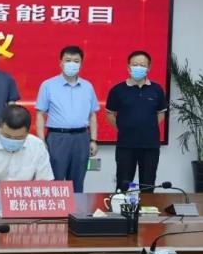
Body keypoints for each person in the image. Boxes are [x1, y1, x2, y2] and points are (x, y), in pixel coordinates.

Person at [35, 45, 99, 192]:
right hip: (57, 138)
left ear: (81, 64)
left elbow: (92, 115)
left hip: (81, 138)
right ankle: (55, 207)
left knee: (78, 183)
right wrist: (41, 141)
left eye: (76, 61)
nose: (72, 64)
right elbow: (40, 114)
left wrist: (93, 140)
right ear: (61, 63)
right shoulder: (48, 85)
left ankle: (76, 207)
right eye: (68, 60)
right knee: (54, 182)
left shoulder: (87, 86)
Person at [105, 50, 167, 192]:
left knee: (148, 185)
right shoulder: (117, 90)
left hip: (150, 146)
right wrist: (124, 128)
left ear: (149, 68)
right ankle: (122, 206)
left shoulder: (157, 89)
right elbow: (109, 115)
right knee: (124, 185)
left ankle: (146, 207)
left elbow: (161, 114)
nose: (138, 67)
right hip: (126, 146)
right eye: (135, 64)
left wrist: (146, 128)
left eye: (142, 65)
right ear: (128, 67)